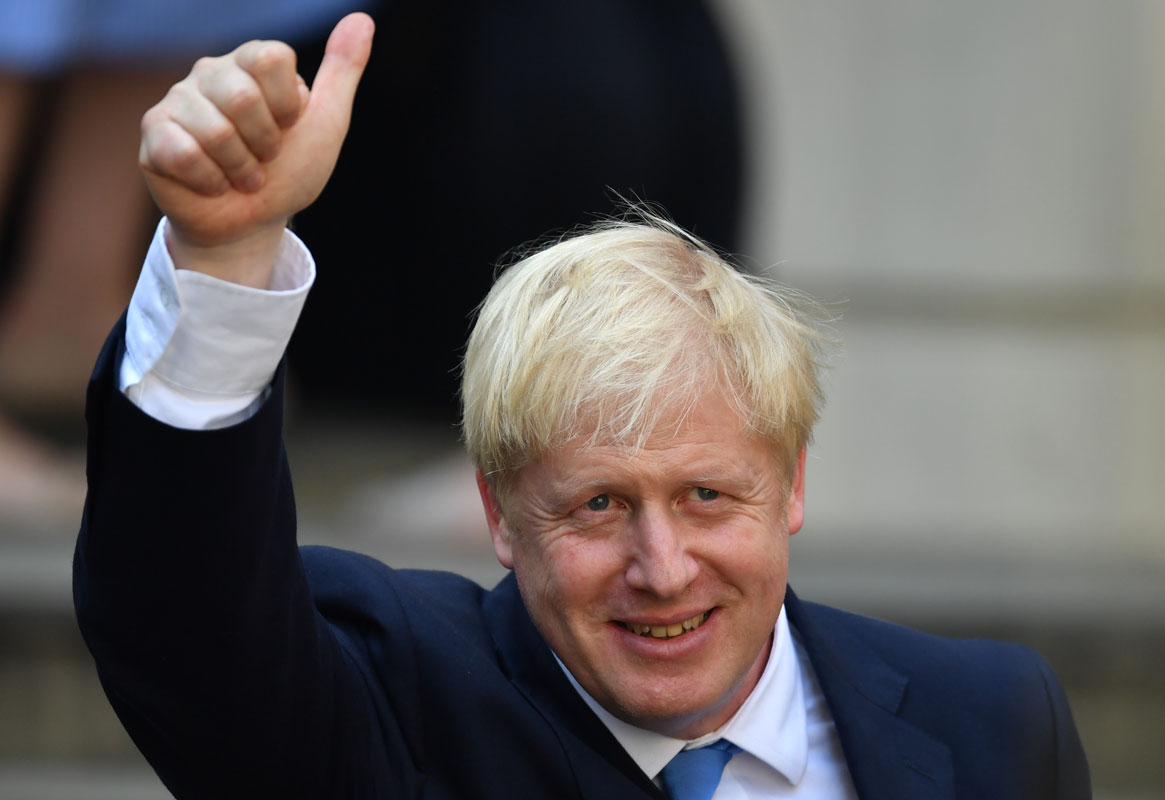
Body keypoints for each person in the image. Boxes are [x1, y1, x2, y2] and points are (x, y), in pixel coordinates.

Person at [73, 13, 1091, 799]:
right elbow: (185, 627)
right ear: (500, 512)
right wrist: (223, 256)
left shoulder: (991, 723)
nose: (663, 567)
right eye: (598, 504)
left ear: (791, 484)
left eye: (705, 493)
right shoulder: (396, 700)